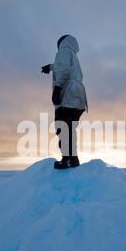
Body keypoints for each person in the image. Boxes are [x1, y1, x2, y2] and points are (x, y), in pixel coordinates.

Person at [41, 34, 88, 169]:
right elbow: (61, 66)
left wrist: (57, 87)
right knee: (70, 127)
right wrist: (50, 67)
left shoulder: (63, 51)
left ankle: (67, 159)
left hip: (67, 94)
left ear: (61, 42)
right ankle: (72, 159)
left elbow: (63, 69)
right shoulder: (73, 55)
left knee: (63, 127)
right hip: (78, 96)